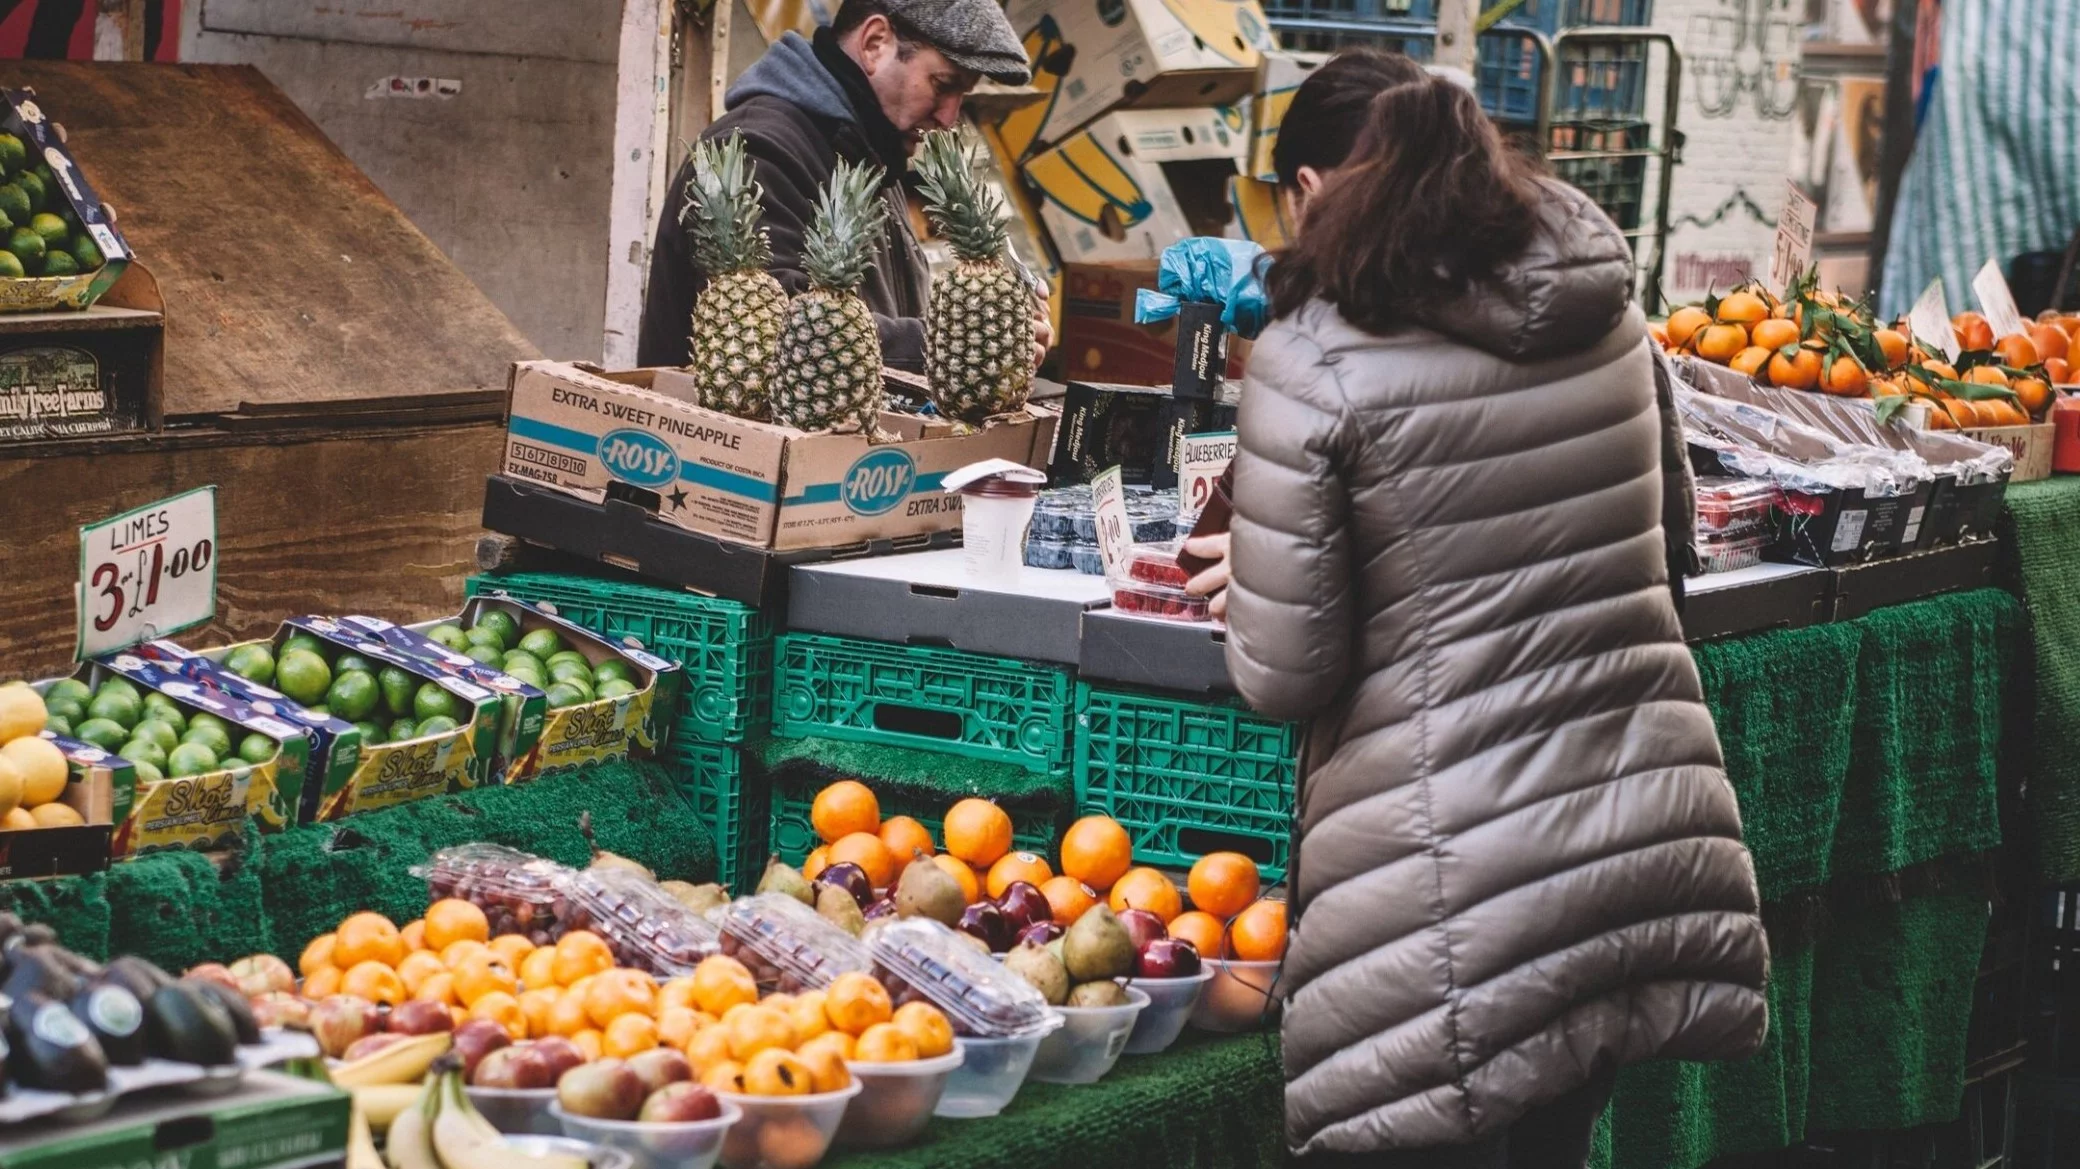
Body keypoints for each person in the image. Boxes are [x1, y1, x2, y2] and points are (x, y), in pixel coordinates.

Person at [1208, 50, 1771, 1167]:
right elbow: (1667, 548)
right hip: (1630, 833)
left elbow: (1282, 672)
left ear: (1317, 192)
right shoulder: (1612, 319)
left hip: (1447, 880)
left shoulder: (1310, 359)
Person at [636, 0, 1051, 375]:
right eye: (943, 86)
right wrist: (958, 344)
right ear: (874, 43)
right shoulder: (757, 150)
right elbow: (779, 332)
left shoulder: (869, 153)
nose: (949, 117)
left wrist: (994, 328)